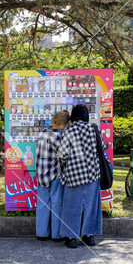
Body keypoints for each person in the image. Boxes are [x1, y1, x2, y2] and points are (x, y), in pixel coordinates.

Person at [56, 104, 103, 248]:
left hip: (74, 175)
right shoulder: (94, 129)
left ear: (73, 117)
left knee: (72, 206)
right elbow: (100, 150)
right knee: (91, 206)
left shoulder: (69, 131)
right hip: (92, 174)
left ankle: (71, 238)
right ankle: (89, 236)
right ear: (86, 116)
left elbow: (62, 155)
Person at [35, 110, 70, 241]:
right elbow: (64, 156)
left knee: (43, 204)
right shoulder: (59, 136)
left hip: (41, 175)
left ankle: (41, 233)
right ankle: (56, 235)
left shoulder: (43, 132)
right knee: (56, 204)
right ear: (62, 124)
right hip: (54, 174)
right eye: (66, 125)